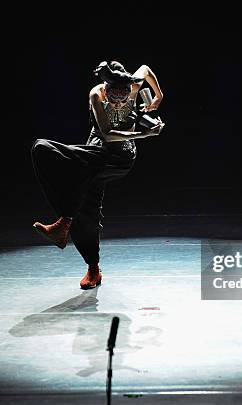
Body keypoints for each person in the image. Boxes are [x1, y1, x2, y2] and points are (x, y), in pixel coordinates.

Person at [31, 60, 165, 289]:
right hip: (96, 151)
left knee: (80, 194)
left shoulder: (132, 86)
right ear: (106, 87)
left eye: (125, 97)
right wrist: (144, 135)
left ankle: (63, 222)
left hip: (120, 158)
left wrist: (158, 95)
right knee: (42, 150)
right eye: (115, 96)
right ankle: (92, 267)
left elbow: (145, 69)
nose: (120, 101)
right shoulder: (96, 95)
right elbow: (107, 133)